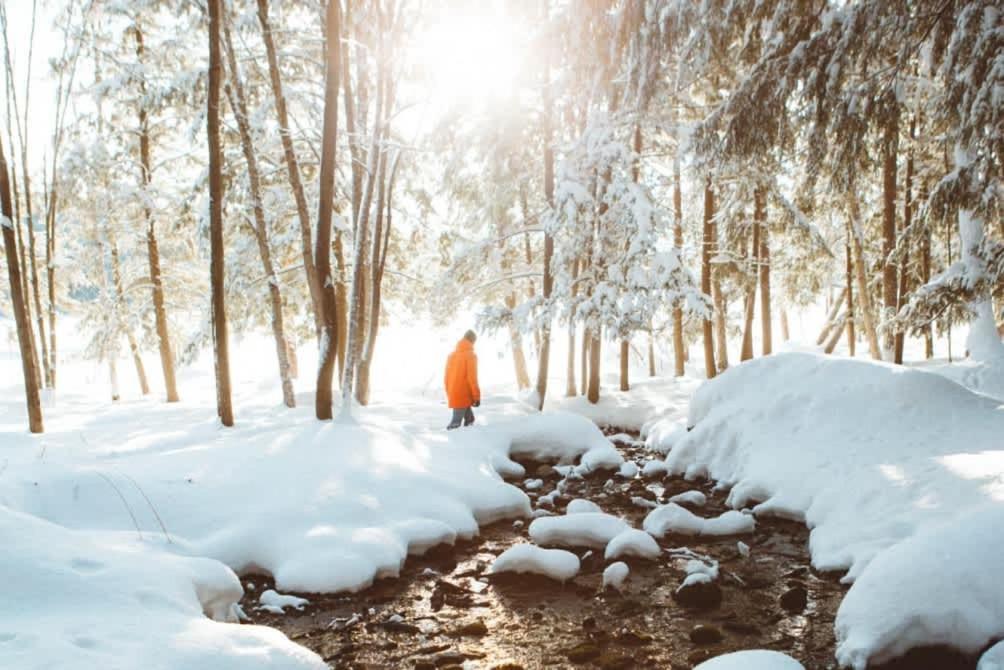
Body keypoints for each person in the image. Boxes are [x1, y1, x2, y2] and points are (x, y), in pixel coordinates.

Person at [444, 330, 481, 429]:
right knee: (455, 424)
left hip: (454, 393)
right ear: (473, 341)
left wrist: (450, 393)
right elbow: (472, 378)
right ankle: (446, 444)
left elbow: (446, 377)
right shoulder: (471, 355)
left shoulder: (451, 356)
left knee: (470, 420)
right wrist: (476, 397)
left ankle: (469, 439)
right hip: (462, 395)